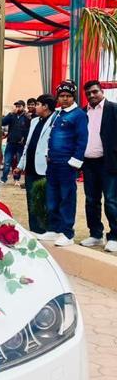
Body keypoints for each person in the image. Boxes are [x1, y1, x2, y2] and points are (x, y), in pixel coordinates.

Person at [41, 81, 88, 247]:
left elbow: (82, 140)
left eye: (68, 96)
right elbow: (50, 135)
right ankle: (54, 229)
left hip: (67, 164)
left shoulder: (78, 115)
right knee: (52, 196)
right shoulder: (58, 113)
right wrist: (47, 154)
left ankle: (67, 233)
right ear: (58, 97)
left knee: (67, 198)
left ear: (73, 97)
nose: (65, 99)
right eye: (62, 96)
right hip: (53, 163)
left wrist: (75, 162)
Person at [80, 80, 117, 253]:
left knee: (111, 200)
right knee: (91, 200)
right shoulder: (83, 112)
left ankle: (115, 236)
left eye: (95, 91)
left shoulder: (113, 109)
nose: (92, 95)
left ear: (102, 91)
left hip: (108, 163)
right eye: (88, 93)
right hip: (89, 163)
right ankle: (95, 234)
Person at [17, 94, 57, 234]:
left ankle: (46, 229)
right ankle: (34, 228)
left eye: (38, 104)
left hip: (45, 167)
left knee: (45, 199)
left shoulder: (56, 120)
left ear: (45, 106)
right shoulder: (34, 121)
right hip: (30, 166)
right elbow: (27, 145)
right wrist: (20, 165)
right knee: (31, 198)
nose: (35, 107)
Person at [1, 100, 30, 182]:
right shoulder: (12, 115)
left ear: (23, 107)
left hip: (21, 144)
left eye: (19, 106)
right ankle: (4, 179)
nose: (17, 108)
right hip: (11, 142)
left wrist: (24, 139)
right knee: (7, 162)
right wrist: (10, 113)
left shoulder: (26, 117)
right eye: (16, 106)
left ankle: (17, 179)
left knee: (18, 162)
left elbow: (29, 129)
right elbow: (2, 122)